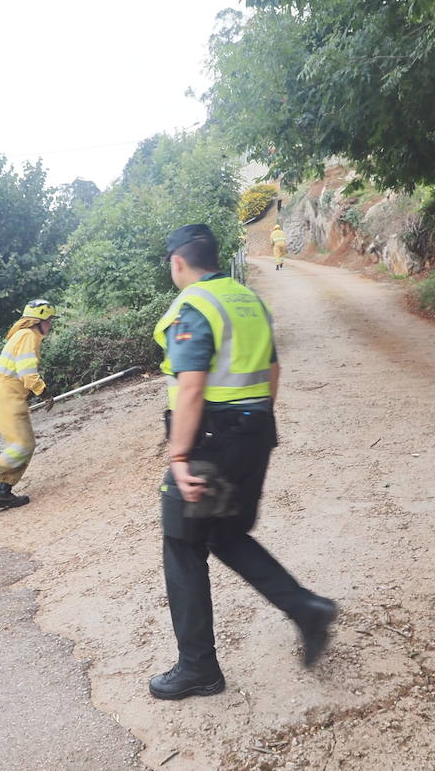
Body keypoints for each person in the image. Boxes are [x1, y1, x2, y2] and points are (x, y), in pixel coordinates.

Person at [149, 224, 336, 700]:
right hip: (254, 433)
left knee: (182, 543)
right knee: (226, 533)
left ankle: (198, 669)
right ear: (215, 256)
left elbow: (190, 386)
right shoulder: (247, 301)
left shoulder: (194, 307)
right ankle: (306, 609)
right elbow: (273, 369)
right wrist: (253, 427)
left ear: (178, 263)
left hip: (210, 442)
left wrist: (180, 456)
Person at [0, 299, 57, 509]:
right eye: (49, 320)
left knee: (26, 445)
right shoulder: (28, 336)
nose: (51, 324)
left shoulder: (24, 335)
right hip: (5, 395)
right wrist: (44, 392)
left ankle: (4, 493)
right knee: (22, 445)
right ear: (38, 321)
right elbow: (27, 372)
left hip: (8, 395)